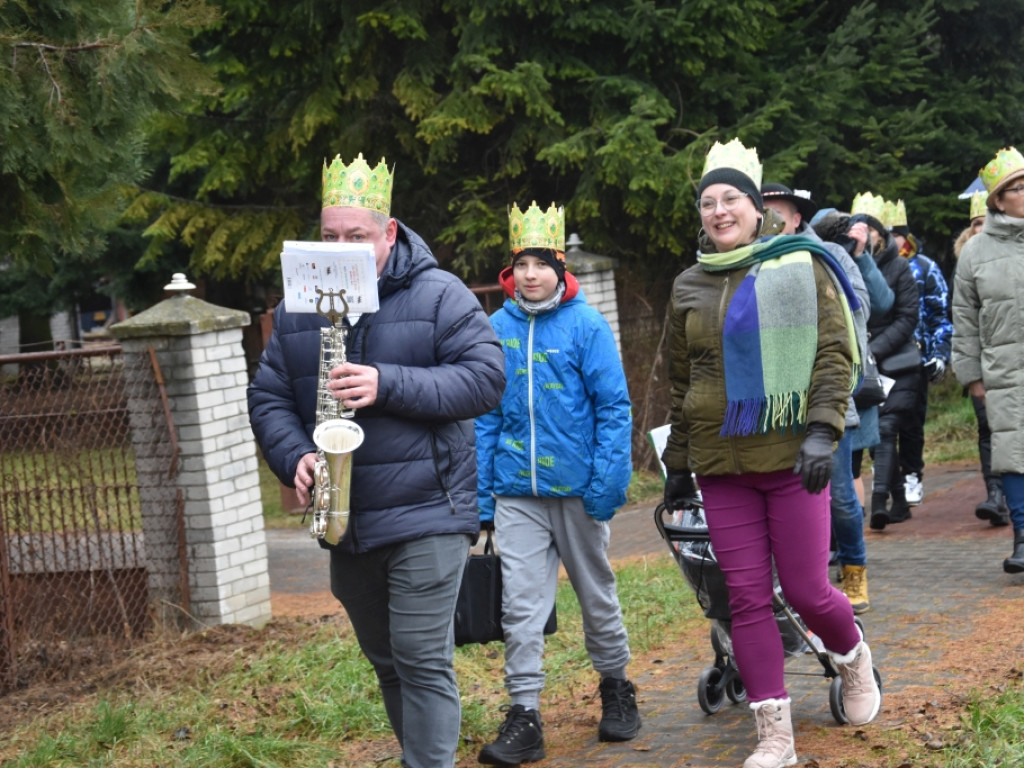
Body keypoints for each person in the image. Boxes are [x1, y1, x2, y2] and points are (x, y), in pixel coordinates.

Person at [247, 153, 506, 768]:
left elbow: (486, 379)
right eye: (330, 236)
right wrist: (295, 458)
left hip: (429, 511)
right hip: (347, 519)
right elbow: (269, 396)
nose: (341, 249)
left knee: (420, 656)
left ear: (389, 233)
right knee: (388, 662)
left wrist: (386, 383)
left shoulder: (440, 294)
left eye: (356, 237)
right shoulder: (296, 307)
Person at [663, 140, 880, 768]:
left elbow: (835, 356)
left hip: (792, 461)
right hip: (720, 464)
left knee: (811, 591)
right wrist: (678, 466)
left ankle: (854, 659)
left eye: (732, 198)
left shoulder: (801, 266)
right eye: (708, 202)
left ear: (759, 209)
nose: (719, 210)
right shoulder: (688, 284)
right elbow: (684, 382)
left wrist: (821, 431)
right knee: (748, 597)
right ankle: (774, 734)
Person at [475, 201, 639, 766]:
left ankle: (616, 686)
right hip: (517, 492)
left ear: (559, 267)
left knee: (596, 594)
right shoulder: (495, 328)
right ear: (511, 269)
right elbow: (486, 416)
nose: (530, 274)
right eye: (521, 263)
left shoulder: (587, 325)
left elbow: (614, 408)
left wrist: (608, 483)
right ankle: (524, 715)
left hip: (578, 491)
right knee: (520, 607)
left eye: (540, 263)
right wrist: (481, 497)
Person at [762, 182, 873, 613]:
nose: (769, 220)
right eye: (763, 211)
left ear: (795, 218)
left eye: (778, 212)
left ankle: (854, 571)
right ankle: (806, 585)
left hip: (828, 394)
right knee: (794, 498)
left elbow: (859, 307)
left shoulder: (828, 254)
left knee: (841, 494)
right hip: (778, 406)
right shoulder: (748, 262)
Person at [952, 146, 1024, 573]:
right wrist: (972, 375)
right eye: (1019, 188)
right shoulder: (975, 253)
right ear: (998, 199)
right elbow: (964, 318)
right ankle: (1022, 537)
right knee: (1014, 452)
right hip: (1005, 369)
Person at [846, 193, 920, 531]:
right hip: (863, 364)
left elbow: (907, 316)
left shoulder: (900, 266)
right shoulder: (847, 260)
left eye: (870, 228)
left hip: (896, 363)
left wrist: (877, 350)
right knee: (874, 435)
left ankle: (880, 502)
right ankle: (898, 497)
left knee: (888, 429)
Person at [888, 200, 953, 508]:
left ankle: (912, 474)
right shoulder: (867, 265)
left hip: (916, 357)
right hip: (881, 354)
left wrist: (940, 352)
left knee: (912, 421)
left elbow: (941, 314)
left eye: (893, 233)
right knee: (883, 422)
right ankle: (886, 476)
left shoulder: (925, 267)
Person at [954, 191, 1009, 526]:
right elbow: (962, 320)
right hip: (988, 365)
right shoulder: (967, 262)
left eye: (985, 222)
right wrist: (970, 371)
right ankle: (996, 494)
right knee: (989, 430)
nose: (981, 228)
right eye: (975, 223)